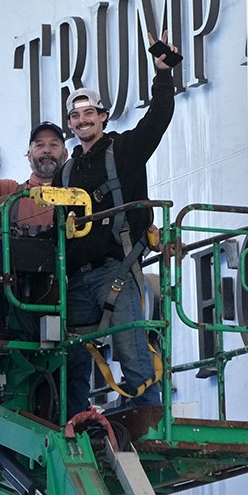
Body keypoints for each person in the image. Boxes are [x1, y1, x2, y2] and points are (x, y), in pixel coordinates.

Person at [56, 34, 179, 418]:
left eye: (88, 113)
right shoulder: (66, 172)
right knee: (70, 355)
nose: (82, 120)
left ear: (103, 116)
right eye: (75, 116)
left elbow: (158, 118)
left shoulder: (124, 150)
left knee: (131, 348)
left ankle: (148, 418)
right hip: (76, 278)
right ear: (70, 124)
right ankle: (74, 418)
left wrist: (163, 74)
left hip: (117, 270)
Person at [0, 108, 69, 232]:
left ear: (65, 154)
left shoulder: (79, 194)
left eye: (53, 145)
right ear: (29, 155)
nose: (46, 150)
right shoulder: (10, 193)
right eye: (39, 145)